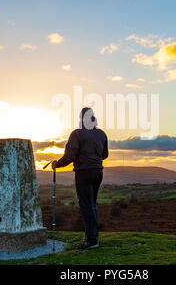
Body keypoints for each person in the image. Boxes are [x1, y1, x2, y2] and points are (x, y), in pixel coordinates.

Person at [52, 107, 108, 250]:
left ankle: (91, 240)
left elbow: (70, 156)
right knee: (92, 205)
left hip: (84, 172)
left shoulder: (77, 134)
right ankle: (92, 237)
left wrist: (56, 164)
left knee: (86, 206)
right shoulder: (101, 134)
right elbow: (105, 155)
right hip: (98, 172)